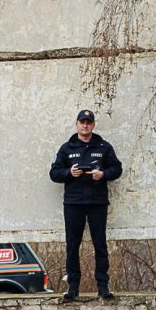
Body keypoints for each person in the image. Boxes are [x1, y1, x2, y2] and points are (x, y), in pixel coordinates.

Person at [50, 108, 122, 299]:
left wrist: (103, 174)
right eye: (82, 122)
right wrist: (69, 173)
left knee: (100, 245)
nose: (85, 126)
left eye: (88, 123)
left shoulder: (104, 147)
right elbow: (54, 173)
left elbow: (117, 169)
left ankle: (103, 287)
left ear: (93, 125)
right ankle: (73, 288)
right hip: (73, 204)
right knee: (73, 245)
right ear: (77, 125)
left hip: (97, 203)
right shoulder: (67, 148)